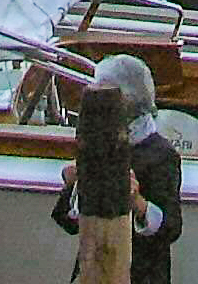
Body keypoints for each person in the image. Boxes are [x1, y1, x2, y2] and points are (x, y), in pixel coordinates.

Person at [51, 54, 183, 282]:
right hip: (94, 268)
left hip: (142, 274)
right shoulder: (94, 145)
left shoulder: (161, 155)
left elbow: (171, 228)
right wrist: (75, 186)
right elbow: (67, 221)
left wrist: (139, 204)